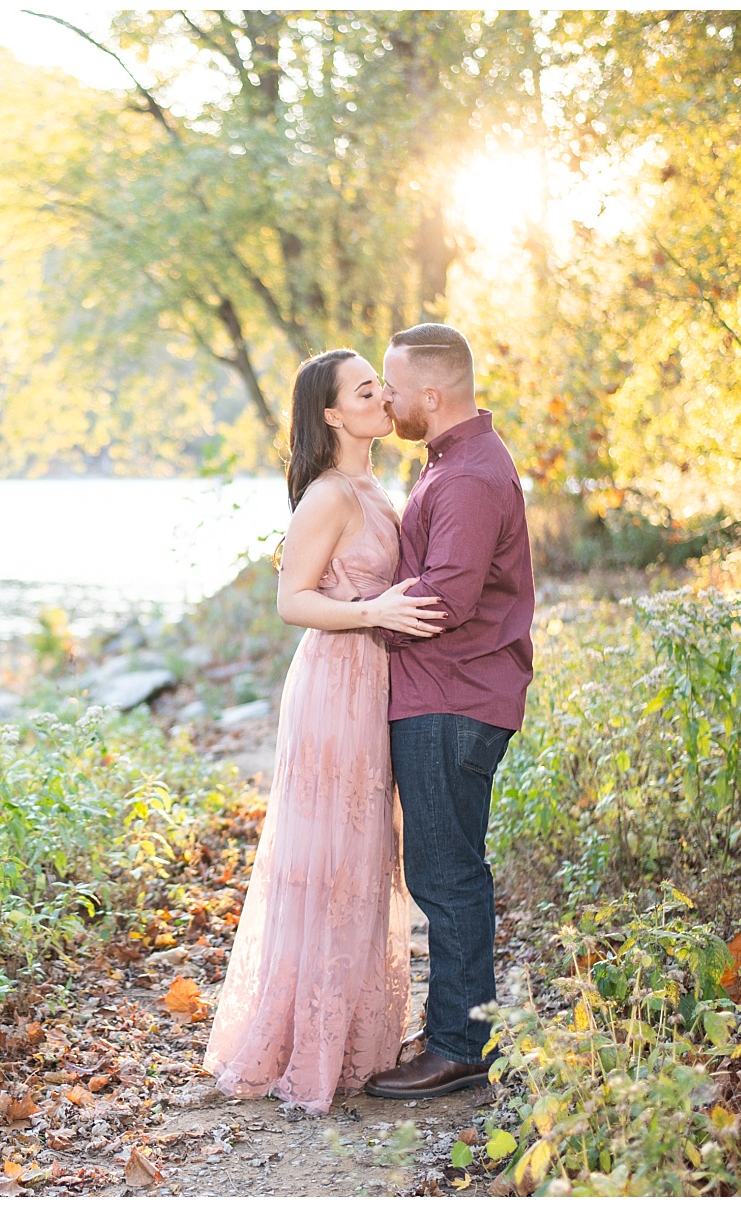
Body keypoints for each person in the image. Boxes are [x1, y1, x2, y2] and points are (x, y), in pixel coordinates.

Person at [203, 348, 446, 1114]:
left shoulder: (376, 483)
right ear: (333, 415)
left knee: (367, 853)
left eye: (382, 385)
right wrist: (375, 611)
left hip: (374, 680)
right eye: (366, 390)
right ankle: (304, 1039)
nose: (384, 396)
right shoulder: (329, 496)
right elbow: (292, 601)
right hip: (335, 681)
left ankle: (351, 1037)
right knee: (329, 857)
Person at [361, 323, 536, 1100]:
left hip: (450, 698)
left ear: (431, 395)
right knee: (449, 868)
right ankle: (461, 1031)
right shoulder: (455, 463)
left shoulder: (466, 476)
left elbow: (446, 600)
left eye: (394, 386)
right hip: (448, 695)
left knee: (447, 874)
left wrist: (350, 615)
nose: (387, 398)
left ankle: (460, 1046)